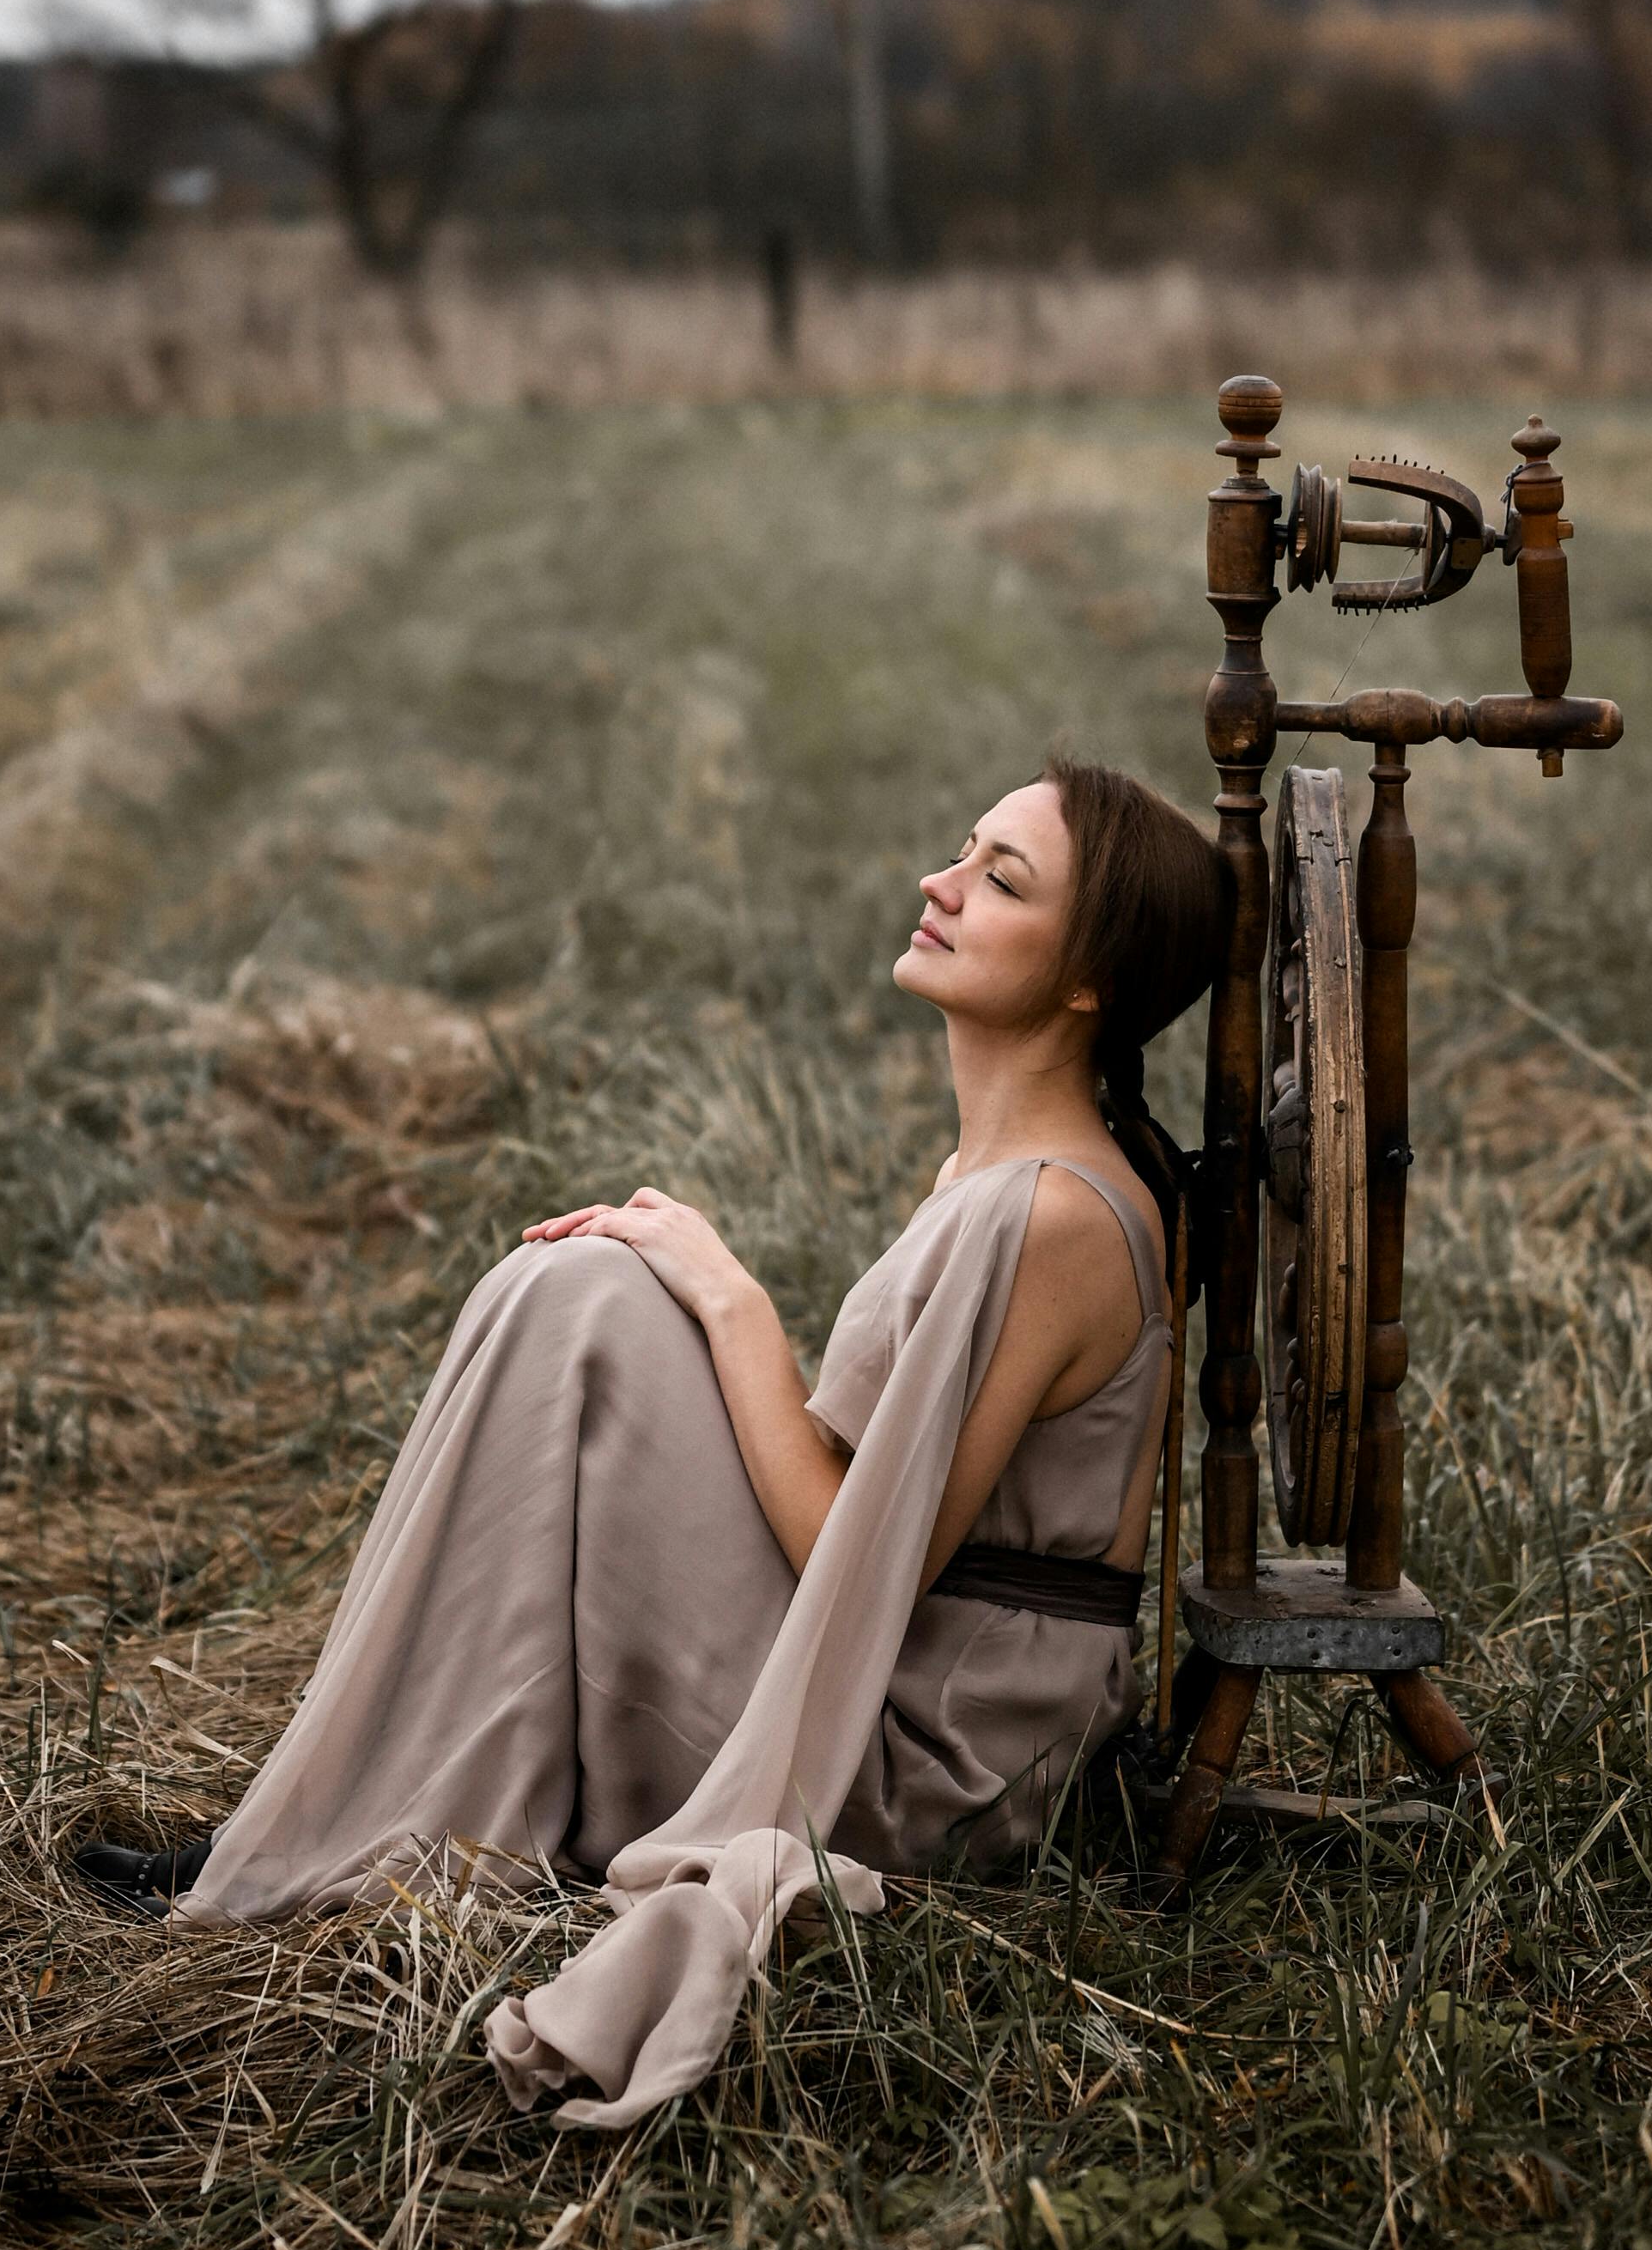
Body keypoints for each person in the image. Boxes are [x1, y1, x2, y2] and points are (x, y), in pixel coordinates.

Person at [76, 755, 1228, 2129]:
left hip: (924, 1760)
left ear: (1089, 980)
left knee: (592, 1299)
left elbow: (853, 1560)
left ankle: (361, 1834)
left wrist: (731, 1298)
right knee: (580, 1292)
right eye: (964, 850)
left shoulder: (1049, 1214)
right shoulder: (1001, 1175)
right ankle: (374, 1821)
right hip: (891, 1668)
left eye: (1000, 878)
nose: (941, 884)